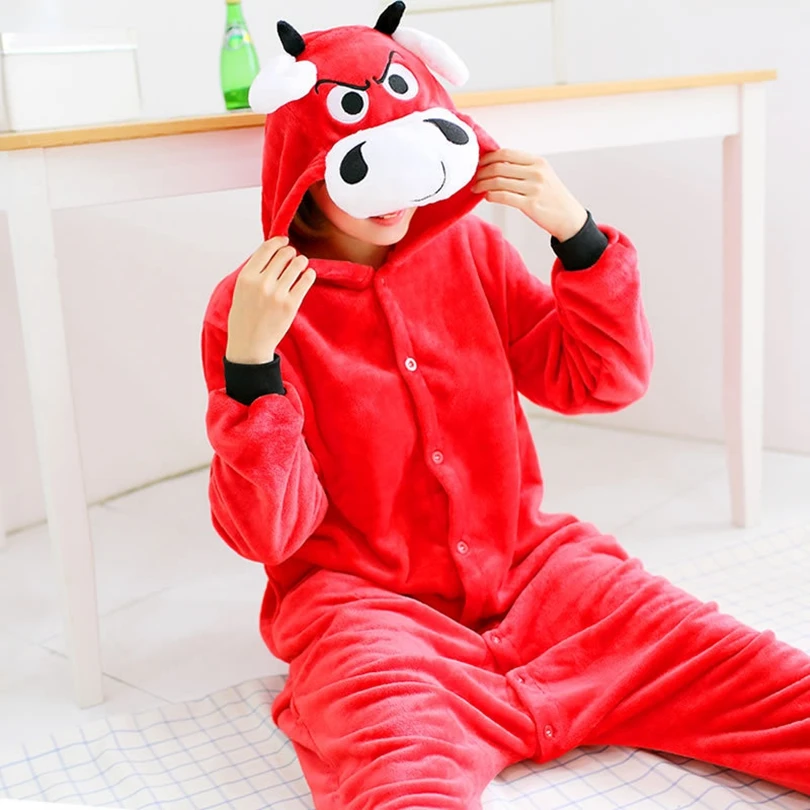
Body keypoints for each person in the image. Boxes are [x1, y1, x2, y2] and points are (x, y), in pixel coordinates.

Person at [201, 4, 810, 807]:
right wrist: (251, 369)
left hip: (536, 573)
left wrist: (578, 237)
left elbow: (598, 380)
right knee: (400, 781)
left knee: (766, 681)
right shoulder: (253, 308)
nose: (397, 193)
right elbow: (267, 532)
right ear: (307, 163)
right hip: (368, 613)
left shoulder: (472, 248)